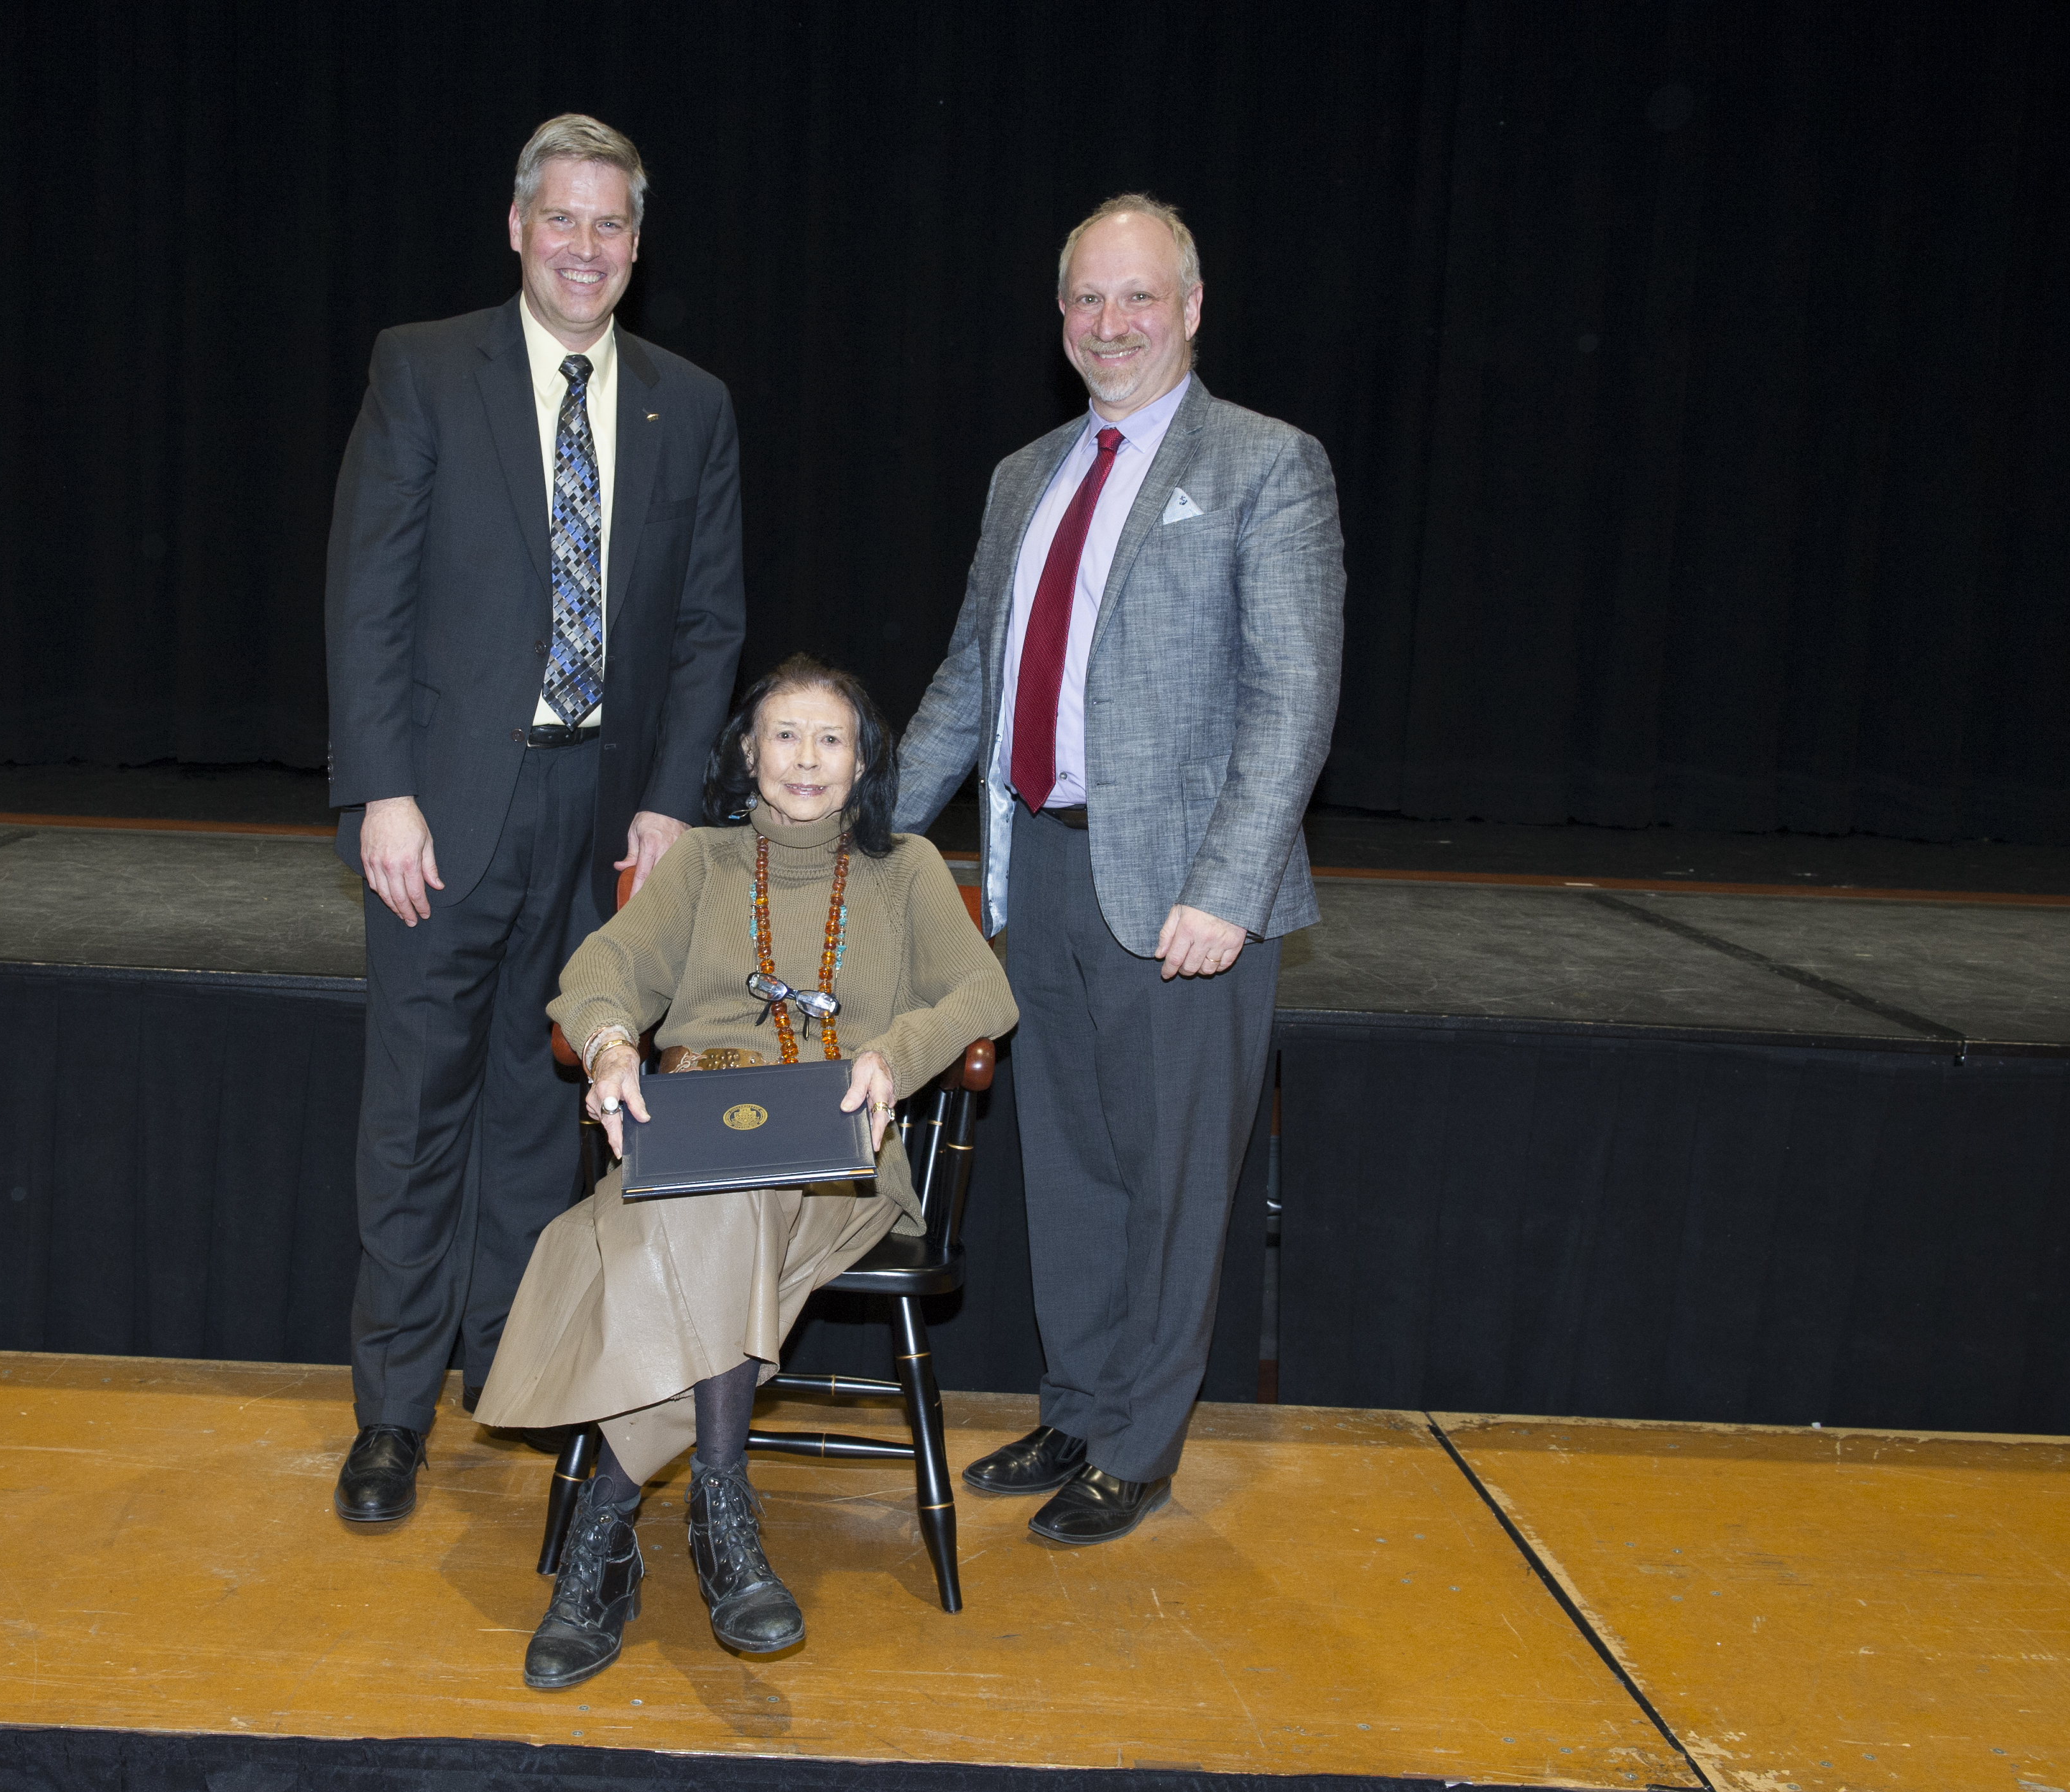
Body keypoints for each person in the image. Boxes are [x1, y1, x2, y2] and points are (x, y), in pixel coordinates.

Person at [895, 194, 1344, 1545]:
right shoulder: (1023, 476)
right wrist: (858, 828)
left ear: (1190, 309)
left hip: (1185, 903)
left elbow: (1294, 695)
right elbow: (971, 679)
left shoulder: (1267, 464)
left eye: (1137, 297)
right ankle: (1080, 1407)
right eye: (1087, 300)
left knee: (1173, 1185)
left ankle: (1141, 1446)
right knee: (1077, 1174)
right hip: (1039, 881)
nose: (1110, 323)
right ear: (1062, 318)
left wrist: (1227, 885)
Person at [323, 115, 745, 1525]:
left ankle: (502, 1372)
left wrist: (670, 806)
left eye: (610, 225)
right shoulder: (425, 369)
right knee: (414, 1118)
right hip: (438, 814)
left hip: (598, 822)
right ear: (517, 227)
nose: (584, 247)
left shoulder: (688, 405)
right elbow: (366, 591)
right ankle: (390, 1415)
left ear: (638, 243)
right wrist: (380, 787)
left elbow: (705, 627)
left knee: (537, 1113)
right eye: (561, 219)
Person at [474, 656, 1016, 1688]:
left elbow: (985, 993)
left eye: (831, 738)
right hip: (691, 1145)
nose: (806, 759)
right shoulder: (703, 865)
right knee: (719, 1196)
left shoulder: (905, 871)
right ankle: (721, 1513)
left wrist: (894, 1055)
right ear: (746, 754)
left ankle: (612, 1526)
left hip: (838, 1166)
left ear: (864, 763)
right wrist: (609, 1046)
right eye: (783, 735)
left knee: (725, 1205)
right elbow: (599, 974)